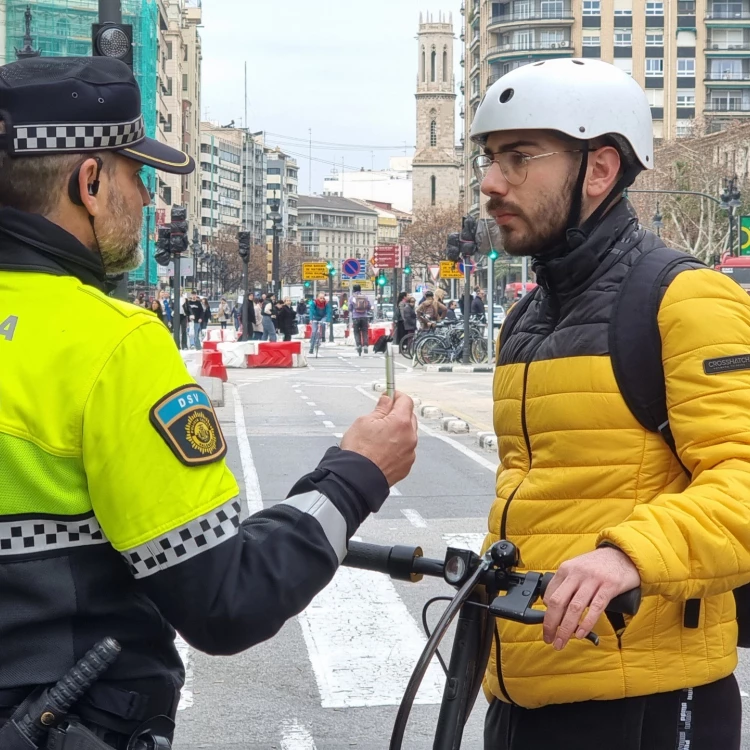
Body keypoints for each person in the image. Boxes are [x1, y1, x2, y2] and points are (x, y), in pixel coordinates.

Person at [0, 55, 420, 750]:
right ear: (91, 181)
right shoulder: (111, 346)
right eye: (138, 174)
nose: (148, 199)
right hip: (63, 720)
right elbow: (226, 600)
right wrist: (355, 473)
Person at [471, 58, 750, 749]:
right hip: (526, 689)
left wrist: (628, 555)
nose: (489, 183)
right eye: (488, 158)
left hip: (648, 705)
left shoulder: (682, 300)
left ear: (598, 170)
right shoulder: (527, 320)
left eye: (518, 157)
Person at [350, 283, 372, 356]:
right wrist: (365, 311)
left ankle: (358, 345)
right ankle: (365, 345)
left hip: (355, 317)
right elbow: (369, 306)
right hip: (364, 317)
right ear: (360, 289)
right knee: (365, 331)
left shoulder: (352, 297)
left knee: (356, 332)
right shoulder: (365, 297)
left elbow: (350, 308)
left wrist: (353, 311)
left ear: (353, 290)